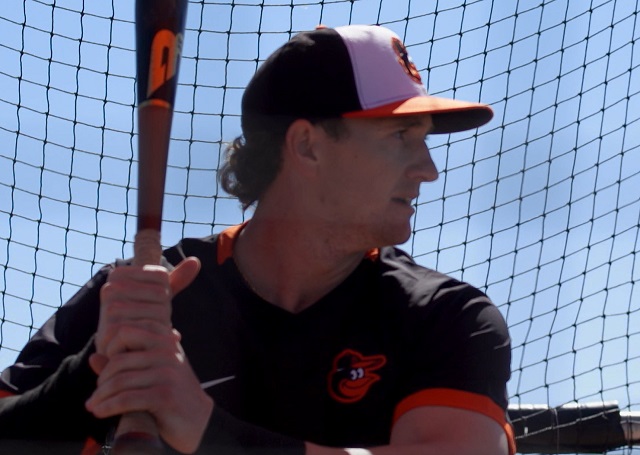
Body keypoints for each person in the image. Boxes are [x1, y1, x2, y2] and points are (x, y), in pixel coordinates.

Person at [0, 24, 515, 455]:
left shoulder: (444, 317)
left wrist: (205, 429)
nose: (429, 169)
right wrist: (93, 369)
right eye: (400, 137)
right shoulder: (148, 296)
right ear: (307, 145)